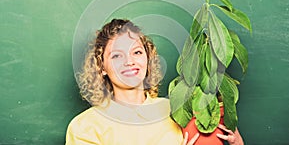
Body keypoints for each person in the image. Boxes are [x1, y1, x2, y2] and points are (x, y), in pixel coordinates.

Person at [65, 18, 243, 145]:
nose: (129, 61)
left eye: (137, 52)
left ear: (148, 59)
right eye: (117, 55)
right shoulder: (85, 127)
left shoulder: (177, 110)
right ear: (101, 67)